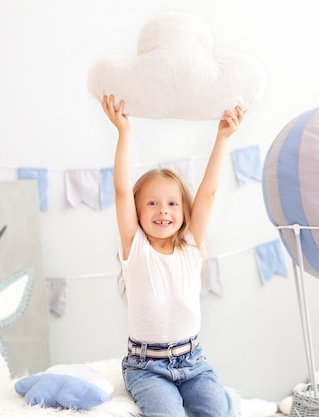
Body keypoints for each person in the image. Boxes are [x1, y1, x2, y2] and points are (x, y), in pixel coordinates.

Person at [102, 94, 244, 417]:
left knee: (220, 411)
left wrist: (222, 137)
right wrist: (124, 132)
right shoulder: (135, 247)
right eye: (151, 203)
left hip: (193, 362)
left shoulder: (191, 247)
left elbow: (207, 192)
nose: (162, 210)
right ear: (136, 211)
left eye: (171, 203)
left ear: (184, 211)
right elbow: (122, 189)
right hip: (146, 368)